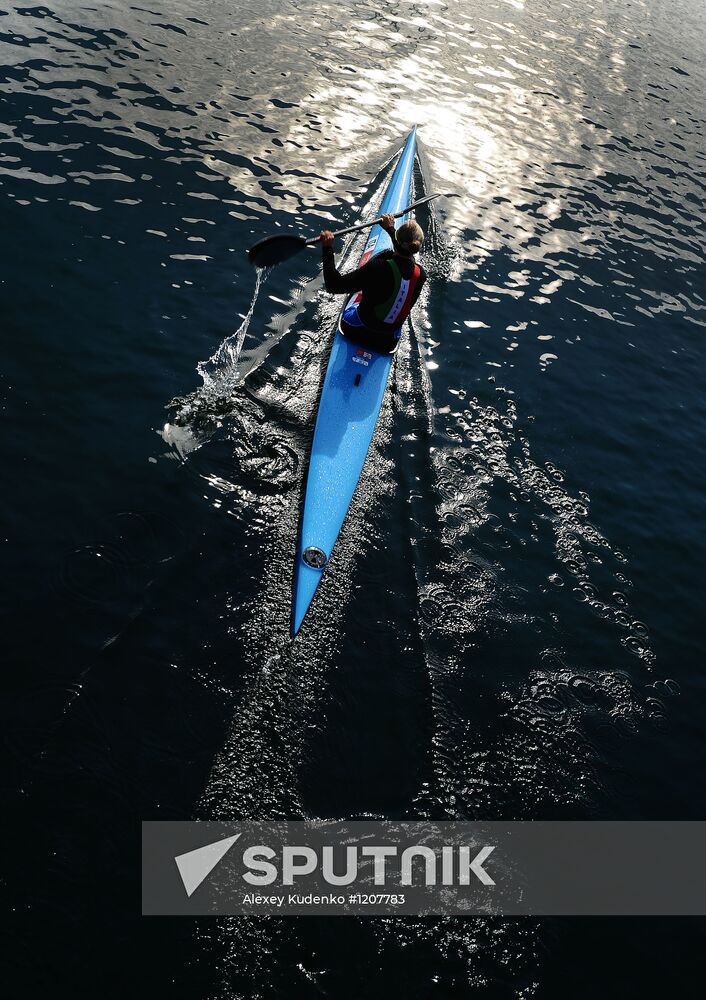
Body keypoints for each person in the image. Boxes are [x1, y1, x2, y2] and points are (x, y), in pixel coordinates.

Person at [318, 213, 427, 353]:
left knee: (357, 292)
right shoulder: (421, 275)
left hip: (355, 331)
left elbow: (333, 285)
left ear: (398, 241)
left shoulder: (377, 267)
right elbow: (404, 254)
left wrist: (327, 248)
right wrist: (390, 229)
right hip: (387, 342)